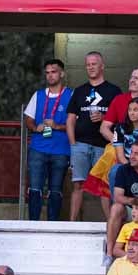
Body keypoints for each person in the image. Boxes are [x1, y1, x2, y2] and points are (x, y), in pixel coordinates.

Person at [66, 52, 121, 221]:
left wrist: (104, 119)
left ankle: (109, 223)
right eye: (88, 64)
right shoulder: (79, 91)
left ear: (102, 66)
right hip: (81, 144)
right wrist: (73, 144)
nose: (91, 67)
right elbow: (70, 120)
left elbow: (121, 120)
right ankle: (71, 224)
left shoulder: (114, 91)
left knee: (104, 186)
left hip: (103, 146)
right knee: (78, 184)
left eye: (94, 64)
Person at [23, 59, 72, 221]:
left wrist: (57, 126)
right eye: (48, 73)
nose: (50, 76)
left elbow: (76, 124)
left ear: (62, 74)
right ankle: (33, 224)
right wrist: (34, 127)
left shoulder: (71, 95)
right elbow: (28, 118)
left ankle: (53, 225)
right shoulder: (38, 95)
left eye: (54, 72)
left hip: (61, 149)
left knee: (56, 189)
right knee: (35, 188)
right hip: (38, 147)